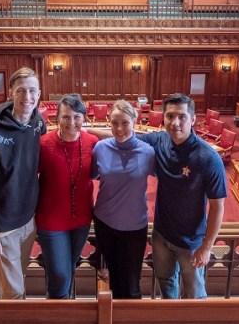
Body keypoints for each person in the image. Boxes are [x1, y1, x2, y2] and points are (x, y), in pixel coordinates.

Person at [137, 93, 227, 299]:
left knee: (195, 295)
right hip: (161, 235)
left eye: (181, 117)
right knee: (166, 285)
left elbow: (217, 206)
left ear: (193, 119)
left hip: (192, 242)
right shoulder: (160, 140)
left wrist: (207, 247)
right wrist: (84, 133)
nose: (174, 123)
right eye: (169, 116)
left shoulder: (208, 158)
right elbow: (126, 137)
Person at [0, 67, 46, 299]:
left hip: (29, 222)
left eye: (32, 91)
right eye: (21, 90)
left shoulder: (38, 124)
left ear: (40, 93)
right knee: (14, 292)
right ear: (11, 93)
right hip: (5, 229)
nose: (27, 97)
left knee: (18, 278)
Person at [35, 93, 98, 298]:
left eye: (77, 117)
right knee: (60, 274)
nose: (71, 122)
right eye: (66, 117)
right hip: (51, 221)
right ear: (56, 118)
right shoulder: (43, 144)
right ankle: (58, 310)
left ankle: (65, 306)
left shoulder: (92, 142)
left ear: (84, 118)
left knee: (69, 267)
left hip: (81, 220)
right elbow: (26, 178)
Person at [91, 100, 156, 299]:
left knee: (131, 284)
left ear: (135, 121)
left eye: (125, 123)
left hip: (134, 226)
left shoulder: (148, 152)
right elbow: (92, 175)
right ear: (108, 122)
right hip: (104, 222)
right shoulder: (100, 148)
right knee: (113, 278)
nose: (119, 129)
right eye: (114, 123)